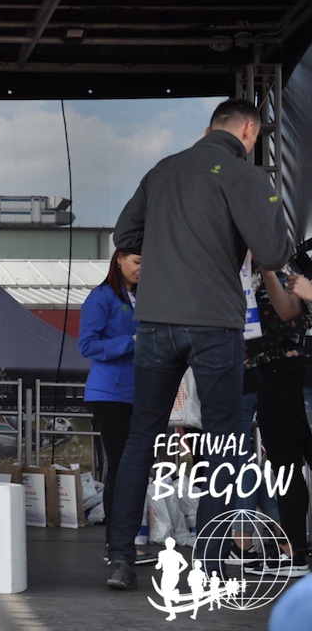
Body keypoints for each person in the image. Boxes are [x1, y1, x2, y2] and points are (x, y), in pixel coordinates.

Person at [106, 98, 289, 590]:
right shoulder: (245, 176)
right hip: (214, 322)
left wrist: (170, 250)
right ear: (248, 131)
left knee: (141, 437)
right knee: (223, 442)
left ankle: (120, 558)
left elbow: (125, 233)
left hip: (156, 320)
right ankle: (207, 562)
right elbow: (274, 251)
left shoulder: (162, 170)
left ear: (210, 129)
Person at [78, 247, 156, 565]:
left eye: (146, 263)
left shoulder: (146, 296)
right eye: (137, 261)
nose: (141, 268)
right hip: (109, 393)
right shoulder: (102, 297)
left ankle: (124, 542)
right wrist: (131, 342)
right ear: (119, 258)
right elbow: (87, 344)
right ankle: (116, 544)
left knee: (135, 466)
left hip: (140, 393)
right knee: (121, 465)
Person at [239, 263, 312, 578]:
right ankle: (294, 552)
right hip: (274, 371)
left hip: (289, 367)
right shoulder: (278, 268)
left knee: (288, 465)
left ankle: (295, 553)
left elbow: (289, 312)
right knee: (287, 466)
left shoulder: (287, 268)